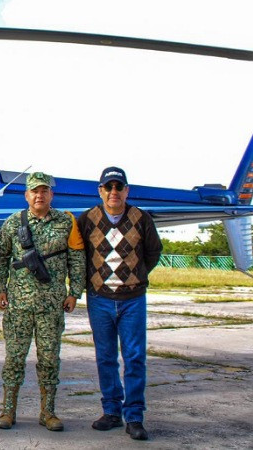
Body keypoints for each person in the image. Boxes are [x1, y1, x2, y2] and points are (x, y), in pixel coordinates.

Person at [0, 172, 85, 432]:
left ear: (51, 195)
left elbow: (76, 259)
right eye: (34, 191)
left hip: (52, 306)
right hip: (18, 305)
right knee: (14, 358)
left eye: (44, 191)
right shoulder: (13, 223)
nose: (39, 195)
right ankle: (8, 411)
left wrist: (74, 292)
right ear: (26, 195)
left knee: (49, 359)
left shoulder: (66, 222)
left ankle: (48, 412)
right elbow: (1, 258)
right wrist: (0, 289)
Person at [77, 167, 162, 441]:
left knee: (134, 357)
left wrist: (135, 276)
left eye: (118, 187)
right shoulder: (87, 219)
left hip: (132, 299)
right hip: (99, 299)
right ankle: (111, 411)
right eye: (108, 187)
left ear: (127, 191)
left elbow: (153, 252)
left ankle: (134, 416)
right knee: (106, 357)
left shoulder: (141, 218)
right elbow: (80, 254)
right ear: (100, 191)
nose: (113, 192)